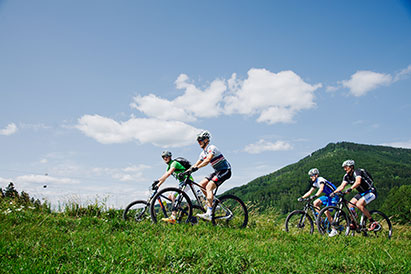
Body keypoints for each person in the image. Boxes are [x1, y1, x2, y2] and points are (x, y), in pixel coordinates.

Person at [186, 130, 231, 221]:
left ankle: (209, 213)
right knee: (201, 185)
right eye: (198, 141)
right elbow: (195, 164)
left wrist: (197, 168)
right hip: (217, 171)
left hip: (225, 170)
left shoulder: (212, 147)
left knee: (209, 187)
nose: (199, 143)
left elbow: (207, 160)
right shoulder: (202, 153)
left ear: (206, 140)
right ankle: (213, 203)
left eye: (200, 140)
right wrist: (187, 171)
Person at [330, 159, 380, 237]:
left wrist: (350, 188)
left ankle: (372, 222)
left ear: (352, 167)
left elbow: (358, 182)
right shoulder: (346, 176)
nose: (345, 169)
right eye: (344, 167)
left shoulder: (357, 172)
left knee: (359, 204)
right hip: (362, 193)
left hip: (370, 191)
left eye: (346, 167)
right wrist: (334, 192)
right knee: (350, 205)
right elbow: (342, 186)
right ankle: (355, 223)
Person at [152, 150, 192, 224]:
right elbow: (165, 177)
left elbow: (169, 173)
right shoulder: (169, 166)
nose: (165, 158)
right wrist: (158, 185)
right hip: (181, 183)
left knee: (174, 195)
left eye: (166, 156)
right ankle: (179, 208)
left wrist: (157, 180)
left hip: (187, 182)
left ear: (170, 157)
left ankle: (173, 216)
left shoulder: (174, 163)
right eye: (163, 157)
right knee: (170, 196)